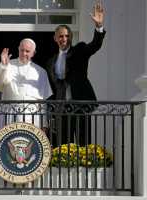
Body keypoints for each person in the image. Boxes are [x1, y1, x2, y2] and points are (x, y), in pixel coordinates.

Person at [45, 0, 106, 146]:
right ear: (55, 38)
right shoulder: (50, 61)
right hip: (62, 108)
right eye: (60, 36)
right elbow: (52, 87)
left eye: (66, 36)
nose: (64, 39)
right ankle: (64, 168)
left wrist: (98, 26)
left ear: (70, 37)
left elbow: (95, 45)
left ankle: (85, 168)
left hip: (80, 104)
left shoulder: (79, 50)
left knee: (83, 142)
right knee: (63, 143)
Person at [0, 38, 52, 129]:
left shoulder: (40, 72)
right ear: (18, 49)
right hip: (9, 115)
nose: (24, 54)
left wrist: (44, 125)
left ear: (33, 53)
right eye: (22, 50)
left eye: (27, 51)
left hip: (31, 117)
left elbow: (42, 102)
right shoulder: (8, 64)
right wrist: (3, 66)